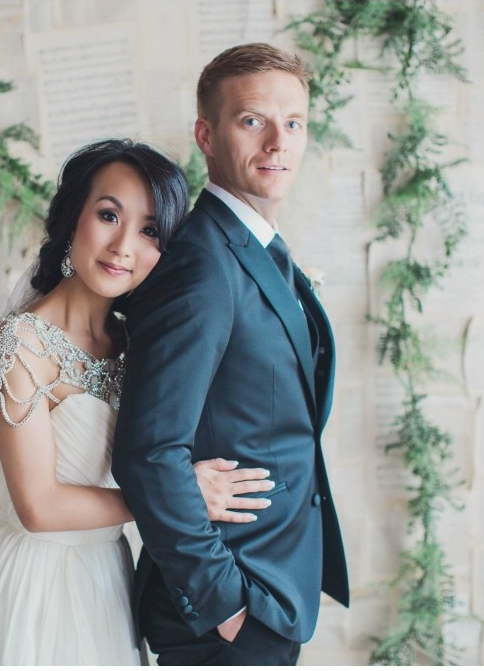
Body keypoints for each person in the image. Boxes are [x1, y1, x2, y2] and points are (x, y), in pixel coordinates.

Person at [0, 139, 274, 666]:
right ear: (72, 219)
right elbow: (37, 507)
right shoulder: (23, 341)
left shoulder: (140, 342)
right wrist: (175, 496)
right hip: (33, 586)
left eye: (150, 230)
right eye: (109, 215)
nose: (124, 245)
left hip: (107, 577)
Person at [111, 43, 350, 666]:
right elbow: (149, 450)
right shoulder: (199, 264)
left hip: (273, 586)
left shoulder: (254, 247)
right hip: (226, 607)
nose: (278, 142)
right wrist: (225, 606)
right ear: (206, 134)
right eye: (253, 121)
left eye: (293, 123)